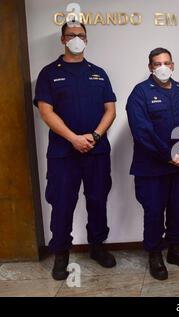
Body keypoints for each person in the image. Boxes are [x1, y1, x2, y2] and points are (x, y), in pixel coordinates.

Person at [34, 22, 117, 281]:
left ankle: (97, 246)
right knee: (62, 204)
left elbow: (110, 109)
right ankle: (61, 254)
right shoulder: (49, 73)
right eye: (71, 35)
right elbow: (46, 112)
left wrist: (93, 136)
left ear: (87, 39)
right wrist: (73, 138)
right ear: (62, 39)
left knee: (97, 200)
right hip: (63, 154)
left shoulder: (98, 73)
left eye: (81, 35)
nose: (76, 39)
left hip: (96, 151)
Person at [126, 48, 179, 281]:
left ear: (173, 65)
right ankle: (155, 254)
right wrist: (167, 155)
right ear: (150, 67)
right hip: (152, 168)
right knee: (154, 212)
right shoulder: (140, 93)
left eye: (166, 62)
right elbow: (141, 131)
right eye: (157, 63)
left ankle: (176, 250)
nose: (163, 67)